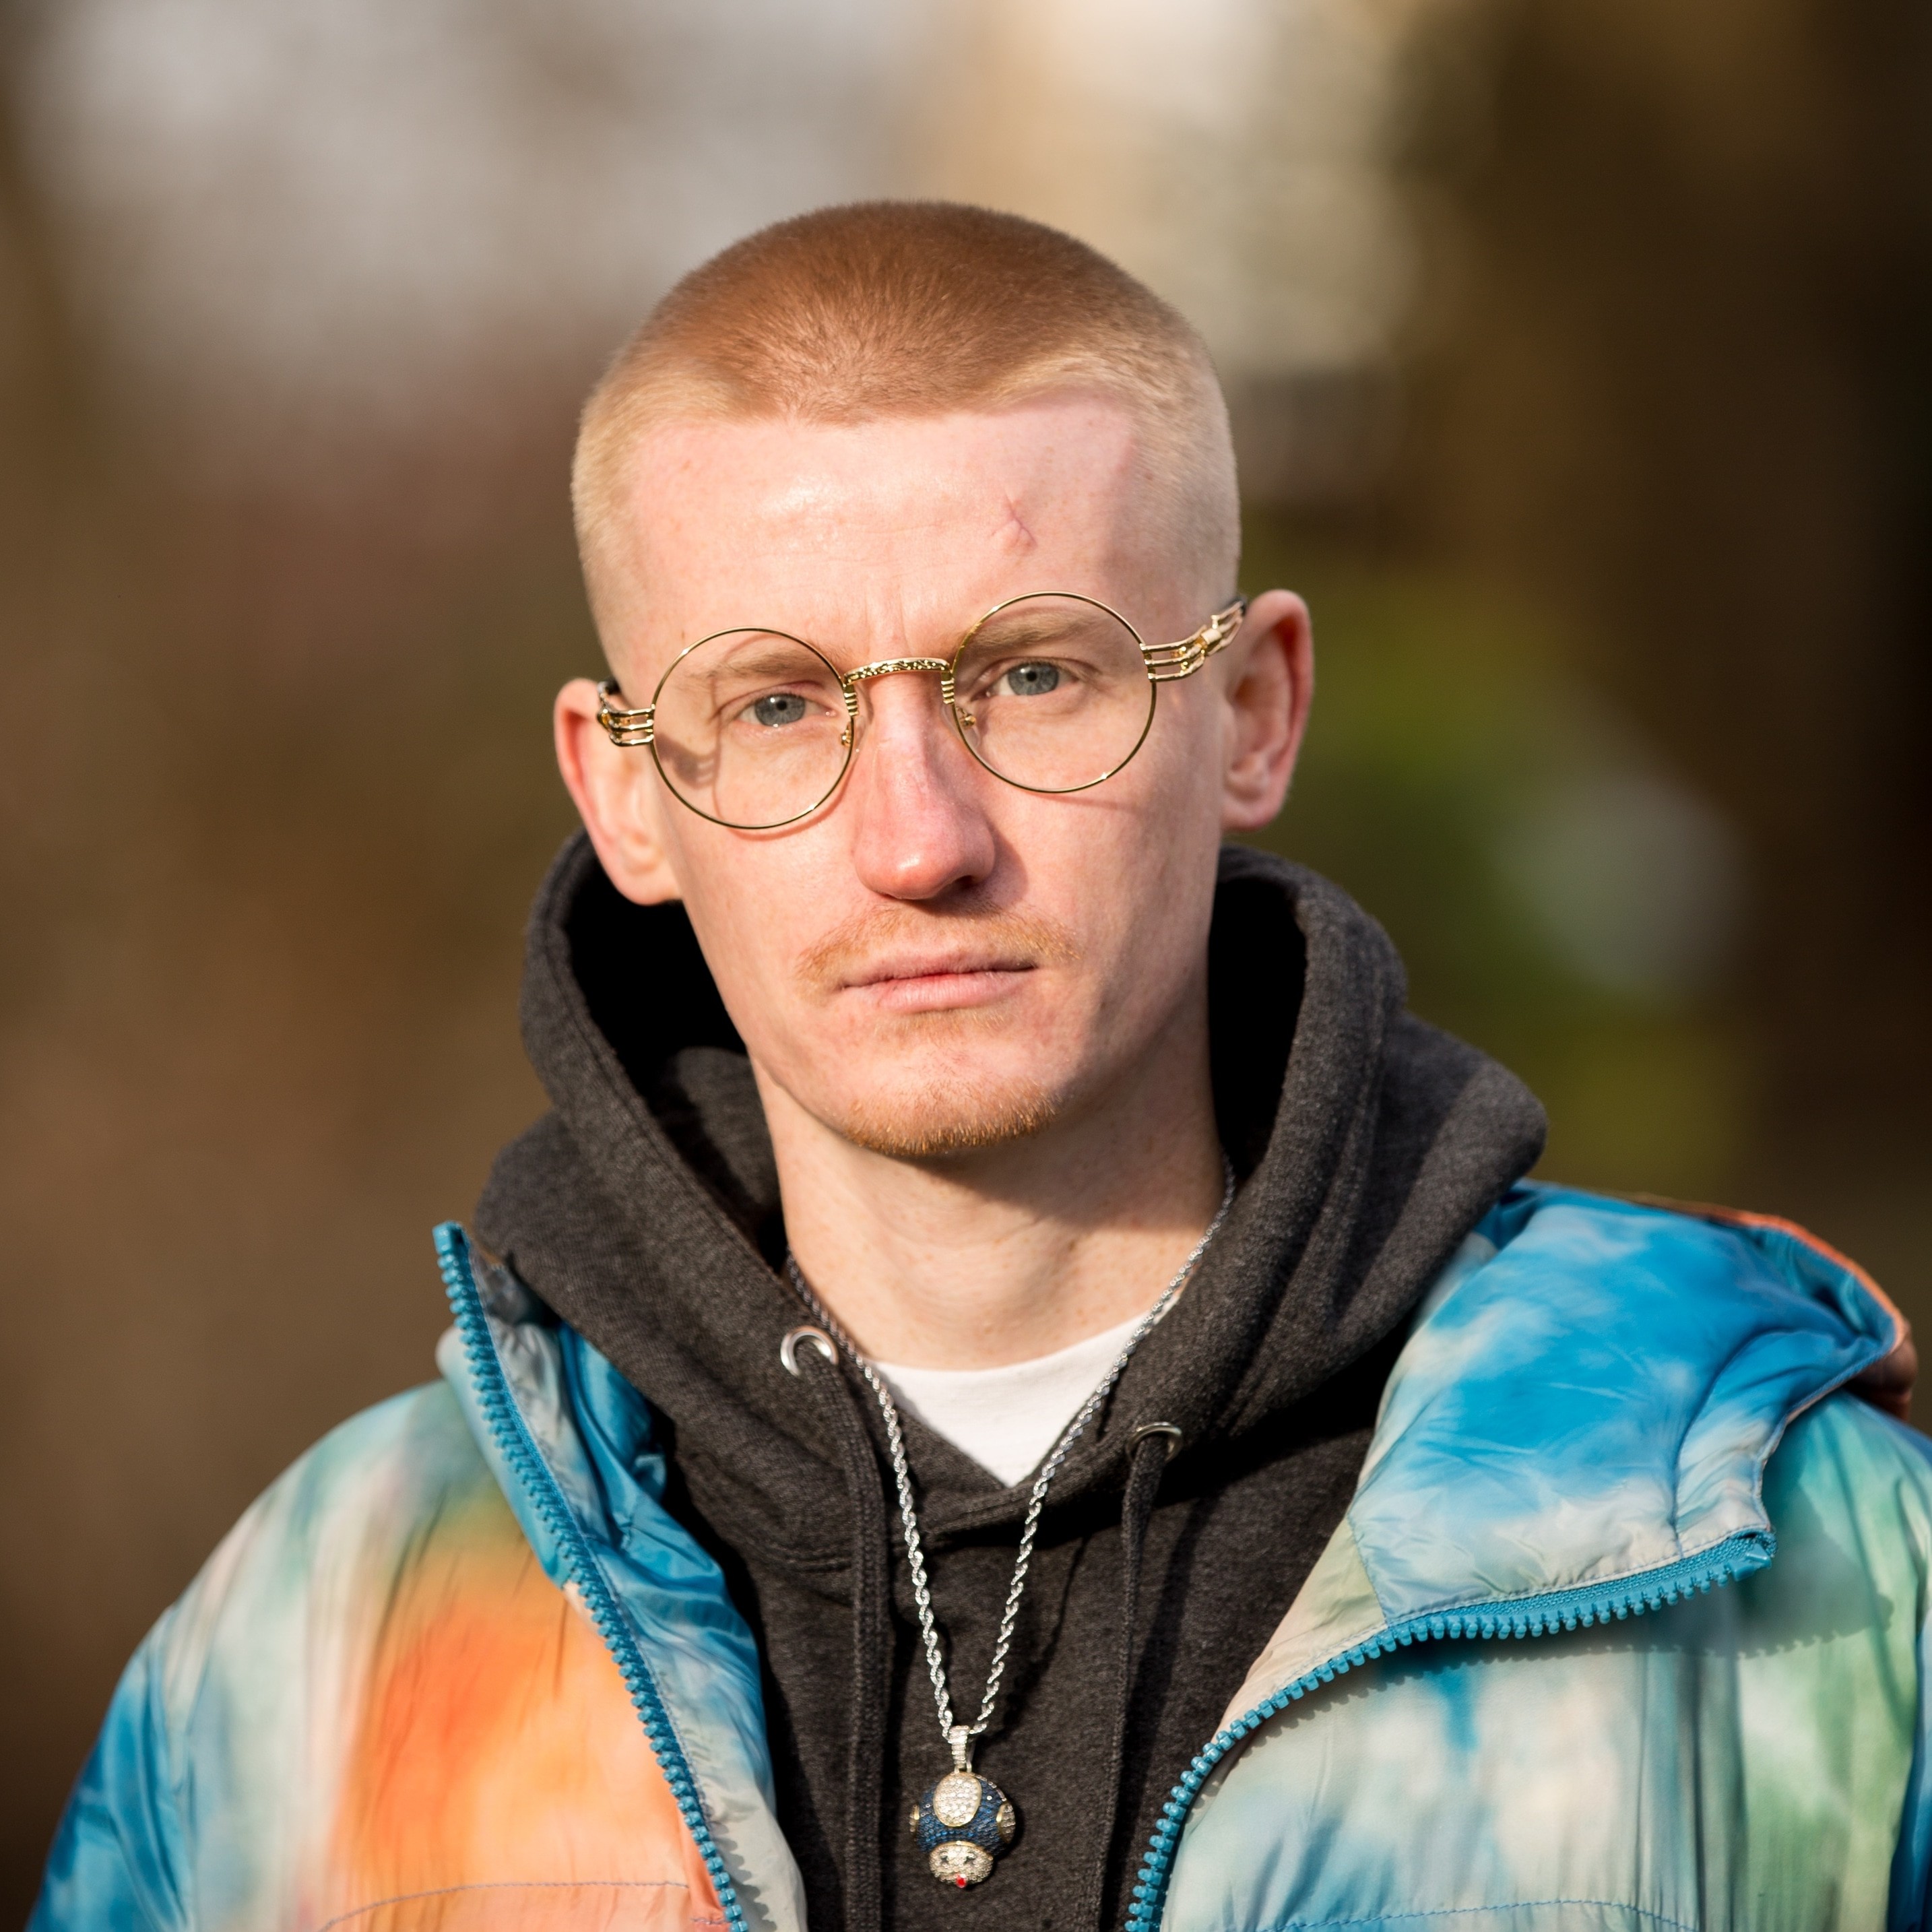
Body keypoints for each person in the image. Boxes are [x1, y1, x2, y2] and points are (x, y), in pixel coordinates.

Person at [32, 201, 1931, 1932]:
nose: (917, 841)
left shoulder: (1812, 1577)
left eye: (1031, 674)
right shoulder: (313, 1645)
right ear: (625, 793)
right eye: (778, 704)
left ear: (1253, 710)